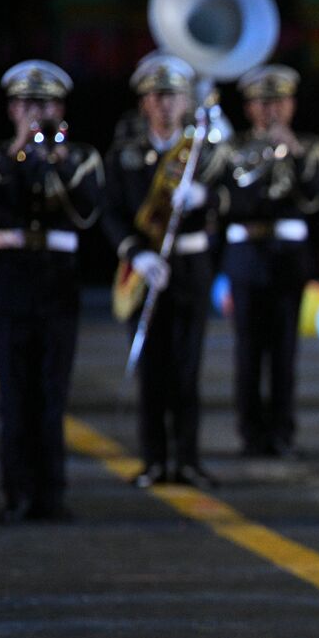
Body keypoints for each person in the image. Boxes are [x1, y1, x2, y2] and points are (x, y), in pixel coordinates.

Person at [101, 53, 224, 490]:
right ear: (143, 104)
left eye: (173, 95)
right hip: (145, 268)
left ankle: (187, 459)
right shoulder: (125, 156)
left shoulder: (201, 153)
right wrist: (135, 252)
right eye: (157, 96)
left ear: (186, 101)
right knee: (153, 371)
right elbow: (111, 212)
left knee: (187, 369)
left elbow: (228, 199)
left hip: (190, 267)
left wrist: (203, 198)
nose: (166, 104)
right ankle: (154, 460)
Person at [0, 60, 103, 521]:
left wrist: (55, 163)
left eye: (42, 104)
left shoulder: (79, 158)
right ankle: (17, 494)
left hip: (57, 283)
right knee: (15, 392)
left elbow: (86, 213)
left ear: (59, 108)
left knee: (52, 391)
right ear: (11, 109)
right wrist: (19, 152)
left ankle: (52, 494)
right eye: (24, 104)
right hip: (11, 283)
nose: (34, 113)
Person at [219, 64, 319, 458]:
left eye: (279, 101)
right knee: (248, 349)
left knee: (285, 350)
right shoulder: (233, 148)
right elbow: (231, 203)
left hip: (289, 258)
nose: (272, 110)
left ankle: (283, 431)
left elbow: (316, 199)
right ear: (249, 107)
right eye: (263, 103)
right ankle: (250, 432)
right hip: (248, 255)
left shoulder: (309, 146)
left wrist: (294, 154)